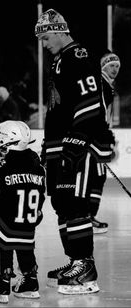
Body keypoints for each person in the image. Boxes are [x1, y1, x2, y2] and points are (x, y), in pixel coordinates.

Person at [35, 8, 116, 295]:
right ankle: (74, 262)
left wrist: (77, 139)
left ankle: (86, 268)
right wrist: (49, 147)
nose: (43, 44)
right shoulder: (59, 59)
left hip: (76, 145)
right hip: (59, 145)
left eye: (45, 37)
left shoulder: (77, 57)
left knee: (76, 203)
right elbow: (59, 108)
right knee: (62, 203)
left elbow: (91, 100)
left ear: (59, 31)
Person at [0, 120, 46, 304]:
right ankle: (30, 283)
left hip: (7, 221)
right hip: (29, 222)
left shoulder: (2, 166)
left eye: (0, 138)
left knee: (3, 246)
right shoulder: (38, 166)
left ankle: (3, 284)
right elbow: (41, 196)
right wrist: (36, 213)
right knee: (26, 249)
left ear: (10, 140)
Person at [90, 51, 121, 234]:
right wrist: (104, 134)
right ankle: (88, 217)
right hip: (95, 136)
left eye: (117, 66)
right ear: (103, 66)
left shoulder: (107, 84)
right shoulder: (101, 84)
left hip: (96, 134)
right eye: (111, 66)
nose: (115, 69)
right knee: (97, 176)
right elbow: (98, 112)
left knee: (96, 176)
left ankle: (87, 216)